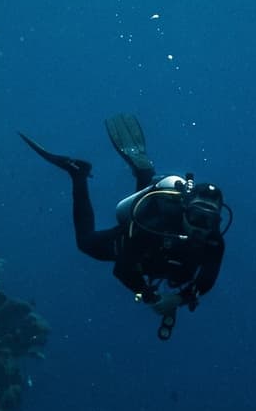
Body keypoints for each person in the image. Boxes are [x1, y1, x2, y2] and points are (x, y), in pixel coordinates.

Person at [20, 113, 230, 339]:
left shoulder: (213, 241)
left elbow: (206, 280)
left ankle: (144, 172)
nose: (201, 227)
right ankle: (78, 174)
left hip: (156, 255)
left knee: (147, 205)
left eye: (209, 221)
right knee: (86, 242)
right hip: (141, 239)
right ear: (186, 211)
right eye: (197, 217)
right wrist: (148, 295)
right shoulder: (155, 226)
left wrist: (176, 299)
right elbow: (122, 269)